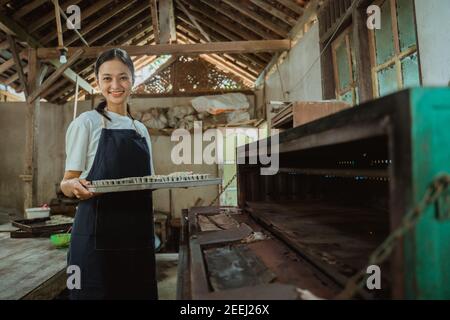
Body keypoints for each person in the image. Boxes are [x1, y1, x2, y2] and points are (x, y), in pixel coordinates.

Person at [60, 48, 158, 300]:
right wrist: (75, 186)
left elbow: (149, 182)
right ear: (98, 81)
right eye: (107, 78)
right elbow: (66, 182)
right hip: (96, 234)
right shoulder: (87, 122)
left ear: (133, 80)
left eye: (123, 77)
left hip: (136, 234)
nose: (115, 85)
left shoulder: (140, 129)